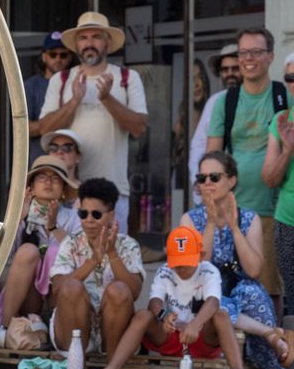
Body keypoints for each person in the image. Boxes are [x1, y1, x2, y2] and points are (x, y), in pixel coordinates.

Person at [83, 225, 261, 369]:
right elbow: (154, 302)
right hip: (171, 335)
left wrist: (195, 325)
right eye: (177, 263)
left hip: (202, 337)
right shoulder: (165, 271)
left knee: (222, 315)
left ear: (201, 256)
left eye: (186, 262)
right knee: (143, 315)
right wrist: (163, 316)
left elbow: (213, 302)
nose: (181, 268)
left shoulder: (209, 271)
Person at [189, 151, 293, 369]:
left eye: (214, 177)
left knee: (253, 293)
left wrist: (235, 228)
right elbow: (196, 270)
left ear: (232, 180)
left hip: (240, 290)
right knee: (217, 303)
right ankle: (271, 335)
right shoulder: (190, 219)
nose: (207, 184)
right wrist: (212, 223)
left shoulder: (249, 218)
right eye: (201, 178)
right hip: (204, 294)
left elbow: (254, 270)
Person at [37, 12, 148, 232]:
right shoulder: (61, 80)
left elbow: (139, 127)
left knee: (111, 258)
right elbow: (45, 129)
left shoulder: (127, 78)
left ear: (107, 42)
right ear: (76, 44)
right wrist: (75, 101)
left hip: (113, 191)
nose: (89, 43)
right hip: (66, 192)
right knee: (65, 258)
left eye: (96, 37)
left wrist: (107, 98)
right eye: (83, 37)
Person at [208, 27, 287, 306]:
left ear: (270, 57)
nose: (248, 58)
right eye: (243, 52)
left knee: (271, 291)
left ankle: (274, 349)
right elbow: (212, 158)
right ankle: (237, 351)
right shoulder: (225, 102)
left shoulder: (283, 96)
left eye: (256, 51)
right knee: (226, 289)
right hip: (231, 213)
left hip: (273, 211)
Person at [0, 156, 80, 346]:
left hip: (57, 296)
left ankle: (55, 328)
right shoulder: (20, 213)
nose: (48, 182)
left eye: (55, 178)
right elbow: (0, 258)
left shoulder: (73, 218)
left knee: (54, 252)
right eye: (42, 177)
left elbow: (80, 256)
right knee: (28, 251)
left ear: (62, 189)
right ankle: (3, 327)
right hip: (27, 296)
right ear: (31, 186)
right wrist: (18, 219)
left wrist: (53, 228)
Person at [48, 178, 144, 357]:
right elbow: (58, 290)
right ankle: (77, 367)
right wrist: (93, 260)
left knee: (119, 290)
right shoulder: (71, 243)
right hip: (70, 329)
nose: (89, 220)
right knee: (71, 287)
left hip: (112, 332)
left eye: (96, 214)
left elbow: (135, 292)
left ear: (111, 215)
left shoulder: (128, 245)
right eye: (83, 214)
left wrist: (112, 254)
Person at [264, 52, 294, 324]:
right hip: (288, 221)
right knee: (292, 297)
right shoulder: (281, 121)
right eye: (290, 78)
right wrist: (287, 151)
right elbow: (270, 179)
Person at [189, 44, 242, 187]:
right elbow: (199, 145)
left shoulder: (257, 98)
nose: (229, 73)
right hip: (219, 187)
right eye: (225, 70)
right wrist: (199, 181)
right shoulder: (215, 102)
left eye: (235, 68)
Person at [26, 32, 72, 163]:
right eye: (53, 54)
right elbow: (23, 129)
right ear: (44, 56)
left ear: (70, 58)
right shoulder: (31, 86)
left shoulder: (76, 83)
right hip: (41, 160)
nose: (58, 59)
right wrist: (58, 120)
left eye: (63, 55)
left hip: (71, 162)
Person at [172, 57, 210, 190]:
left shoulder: (213, 117)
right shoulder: (178, 128)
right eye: (191, 79)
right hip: (184, 195)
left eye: (200, 77)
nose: (197, 84)